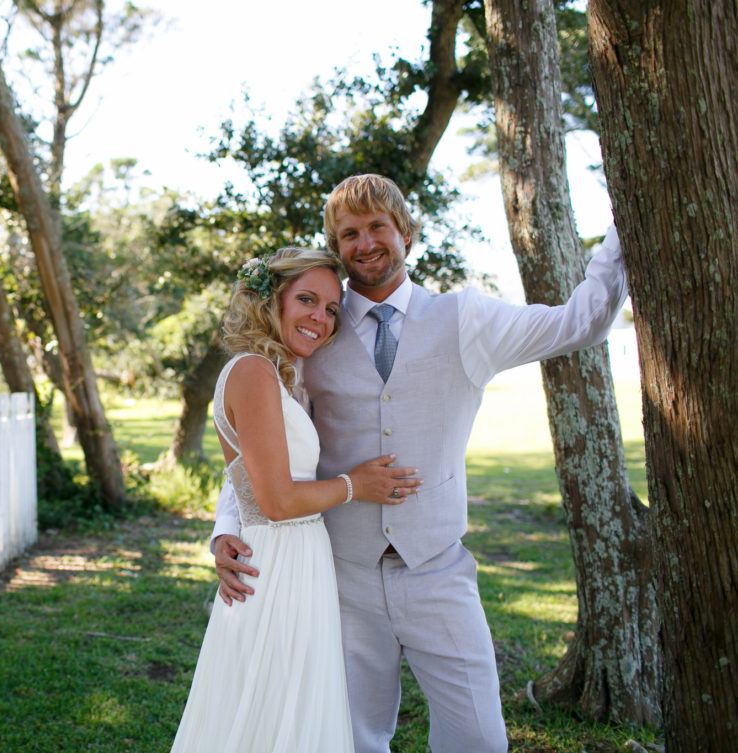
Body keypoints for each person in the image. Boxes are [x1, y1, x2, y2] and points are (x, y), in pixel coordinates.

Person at [211, 174, 628, 753]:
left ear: (405, 232)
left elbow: (581, 321)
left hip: (437, 568)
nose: (365, 244)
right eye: (349, 234)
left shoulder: (466, 319)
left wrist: (624, 223)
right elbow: (263, 443)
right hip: (339, 573)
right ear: (337, 247)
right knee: (351, 737)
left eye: (377, 227)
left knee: (479, 738)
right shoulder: (312, 328)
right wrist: (226, 528)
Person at [171, 246, 422, 753]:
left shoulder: (280, 374)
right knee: (272, 710)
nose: (320, 318)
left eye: (330, 309)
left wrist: (225, 530)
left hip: (300, 559)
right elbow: (277, 501)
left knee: (289, 709)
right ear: (272, 300)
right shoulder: (253, 372)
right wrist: (355, 485)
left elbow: (249, 476)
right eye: (307, 299)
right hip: (278, 563)